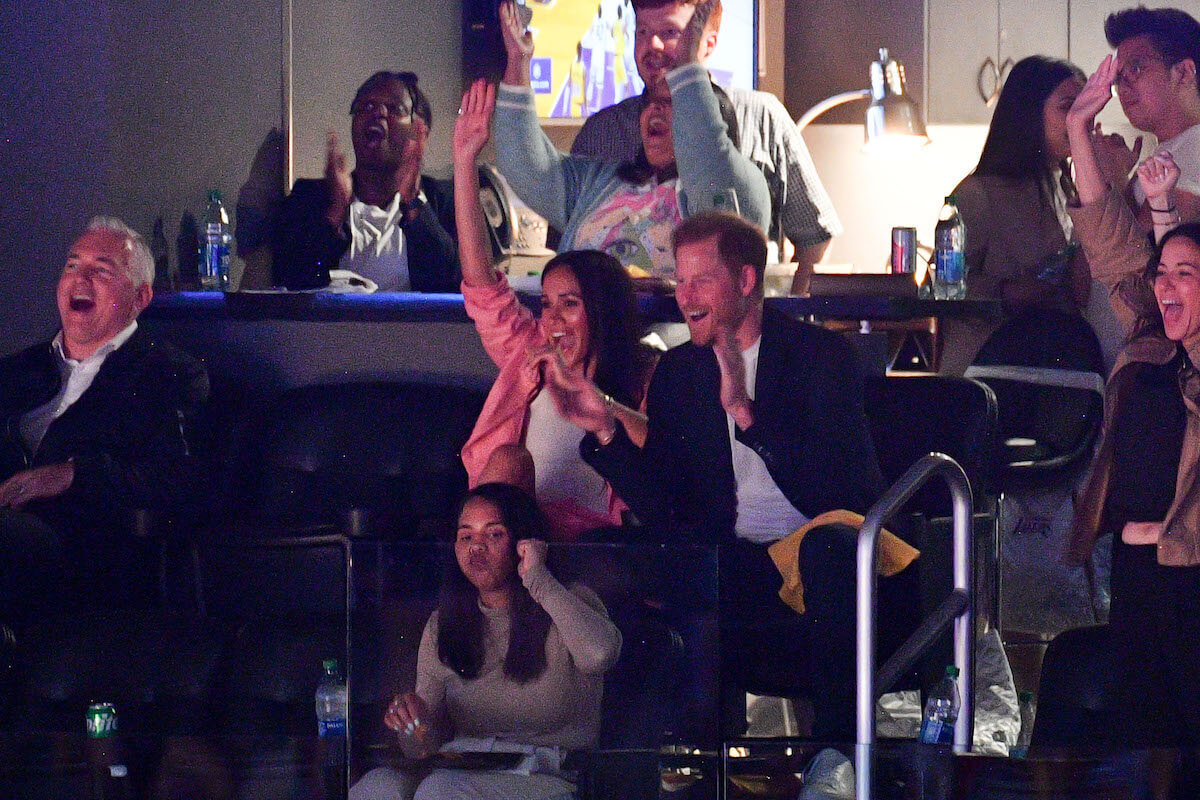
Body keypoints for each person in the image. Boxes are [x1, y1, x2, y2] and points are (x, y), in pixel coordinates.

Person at [535, 210, 918, 739]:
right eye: (681, 280)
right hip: (732, 560)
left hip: (821, 556)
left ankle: (840, 758)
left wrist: (746, 415)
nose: (686, 297)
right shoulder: (679, 371)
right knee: (621, 554)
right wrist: (606, 432)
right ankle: (656, 769)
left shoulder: (820, 357)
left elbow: (843, 495)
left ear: (745, 281)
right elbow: (670, 506)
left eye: (702, 280)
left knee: (828, 549)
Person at [1065, 56, 1200, 750]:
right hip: (1138, 568)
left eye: (1187, 276)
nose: (1168, 288)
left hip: (1187, 573)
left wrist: (1167, 208)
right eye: (1165, 277)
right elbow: (1117, 253)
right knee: (1144, 743)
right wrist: (1078, 132)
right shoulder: (1151, 340)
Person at [454, 79, 655, 541]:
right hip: (520, 539)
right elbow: (482, 282)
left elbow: (665, 453)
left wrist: (598, 403)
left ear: (601, 311)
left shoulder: (646, 374)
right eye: (546, 305)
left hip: (596, 542)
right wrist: (465, 162)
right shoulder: (531, 356)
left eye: (569, 305)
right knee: (506, 461)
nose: (553, 320)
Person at [350, 483, 622, 800]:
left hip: (545, 775)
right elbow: (423, 747)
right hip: (462, 767)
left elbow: (601, 655)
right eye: (466, 536)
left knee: (440, 792)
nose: (476, 548)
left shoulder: (566, 599)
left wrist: (538, 578)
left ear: (523, 543)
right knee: (377, 787)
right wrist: (413, 722)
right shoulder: (443, 622)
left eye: (493, 535)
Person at [0, 217, 209, 627]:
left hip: (78, 545)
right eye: (72, 266)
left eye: (101, 270)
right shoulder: (16, 371)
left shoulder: (167, 373)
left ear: (140, 297)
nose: (80, 279)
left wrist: (73, 476)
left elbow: (183, 480)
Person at [570, 0, 842, 294]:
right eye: (643, 32)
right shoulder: (602, 133)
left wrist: (788, 317)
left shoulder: (763, 118)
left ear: (708, 43)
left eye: (671, 32)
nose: (653, 46)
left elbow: (814, 236)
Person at [493, 0, 770, 281]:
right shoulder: (599, 181)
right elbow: (525, 166)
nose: (655, 109)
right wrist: (517, 61)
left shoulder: (730, 190)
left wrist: (688, 67)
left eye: (674, 101)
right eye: (650, 102)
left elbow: (708, 158)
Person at [940, 56, 1097, 374]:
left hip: (1055, 364)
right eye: (1068, 106)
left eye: (1087, 106)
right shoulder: (978, 193)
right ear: (1028, 114)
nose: (1083, 118)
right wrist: (1005, 292)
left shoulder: (1071, 187)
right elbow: (944, 283)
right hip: (986, 369)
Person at [272, 71, 460, 292]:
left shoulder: (445, 202)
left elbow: (453, 285)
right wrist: (335, 214)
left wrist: (414, 204)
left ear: (419, 132)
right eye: (367, 107)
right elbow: (289, 281)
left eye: (395, 109)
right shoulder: (309, 198)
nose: (378, 113)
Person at [1101, 6, 1200, 225]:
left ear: (1184, 72)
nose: (1123, 87)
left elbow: (1128, 256)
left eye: (1135, 68)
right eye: (1118, 78)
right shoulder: (1175, 149)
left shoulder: (1190, 155)